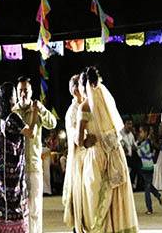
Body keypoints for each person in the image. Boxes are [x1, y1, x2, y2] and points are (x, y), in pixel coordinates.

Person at [78, 67, 138, 232]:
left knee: (95, 204)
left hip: (96, 158)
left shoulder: (84, 107)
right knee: (117, 202)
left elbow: (79, 140)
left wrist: (86, 142)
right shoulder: (105, 100)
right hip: (115, 154)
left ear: (84, 86)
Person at [0, 82, 36, 233]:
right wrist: (34, 113)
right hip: (10, 175)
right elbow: (31, 133)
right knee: (14, 208)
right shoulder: (12, 118)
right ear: (10, 98)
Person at [12, 76, 57, 233]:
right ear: (17, 93)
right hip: (17, 168)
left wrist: (42, 110)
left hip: (33, 165)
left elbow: (52, 123)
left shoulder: (37, 109)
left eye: (26, 90)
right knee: (19, 207)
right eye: (20, 91)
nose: (23, 94)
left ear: (31, 92)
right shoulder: (13, 112)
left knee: (35, 207)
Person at [62, 74, 96, 232]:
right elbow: (77, 138)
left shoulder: (90, 105)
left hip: (93, 157)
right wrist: (88, 140)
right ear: (76, 90)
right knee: (81, 200)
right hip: (80, 161)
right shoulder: (72, 112)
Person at [136, 125, 162, 215]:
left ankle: (149, 208)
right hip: (146, 167)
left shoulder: (147, 143)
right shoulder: (145, 142)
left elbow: (142, 153)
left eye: (141, 132)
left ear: (145, 133)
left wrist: (137, 147)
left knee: (147, 189)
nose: (140, 134)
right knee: (149, 185)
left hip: (147, 167)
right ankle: (159, 196)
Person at [121, 116, 139, 187]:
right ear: (124, 124)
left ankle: (131, 184)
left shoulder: (131, 134)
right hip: (123, 157)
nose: (130, 126)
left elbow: (134, 146)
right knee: (136, 167)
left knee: (137, 167)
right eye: (128, 124)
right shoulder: (120, 134)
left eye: (131, 124)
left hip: (130, 157)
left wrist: (138, 143)